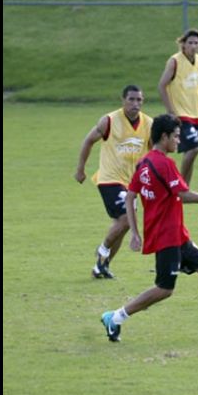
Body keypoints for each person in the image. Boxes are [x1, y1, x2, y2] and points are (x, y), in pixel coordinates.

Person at [100, 115, 198, 342]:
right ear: (164, 136)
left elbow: (130, 196)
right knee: (164, 289)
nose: (179, 140)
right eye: (176, 136)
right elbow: (183, 195)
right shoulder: (164, 164)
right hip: (166, 237)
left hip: (177, 234)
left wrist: (136, 233)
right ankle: (115, 317)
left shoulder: (145, 162)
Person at [74, 85, 153, 279]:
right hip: (109, 179)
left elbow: (153, 152)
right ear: (123, 100)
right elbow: (88, 140)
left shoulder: (149, 123)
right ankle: (103, 249)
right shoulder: (109, 120)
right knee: (127, 219)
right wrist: (80, 169)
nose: (136, 104)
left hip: (132, 184)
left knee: (122, 224)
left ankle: (102, 266)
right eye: (132, 99)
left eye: (139, 100)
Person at [157, 28, 198, 186]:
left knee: (190, 152)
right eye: (190, 42)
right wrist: (171, 111)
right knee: (194, 149)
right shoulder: (174, 61)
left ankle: (185, 190)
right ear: (183, 44)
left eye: (196, 43)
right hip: (180, 114)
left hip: (196, 114)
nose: (193, 46)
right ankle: (180, 185)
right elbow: (162, 86)